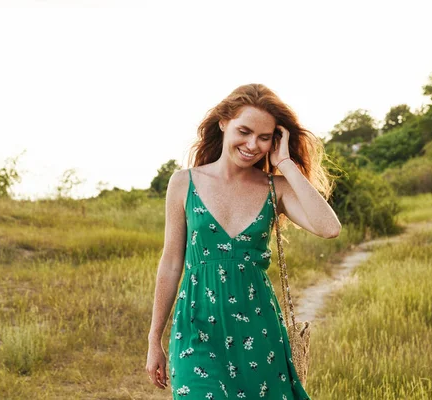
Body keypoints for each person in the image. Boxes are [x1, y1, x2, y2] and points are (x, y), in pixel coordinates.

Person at [146, 83, 341, 399]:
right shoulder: (184, 183)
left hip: (257, 331)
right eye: (245, 131)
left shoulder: (275, 187)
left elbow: (329, 228)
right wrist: (154, 338)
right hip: (197, 328)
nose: (253, 144)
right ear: (224, 123)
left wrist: (286, 165)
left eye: (264, 138)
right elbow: (171, 262)